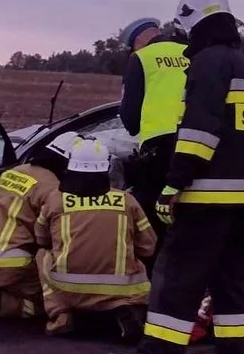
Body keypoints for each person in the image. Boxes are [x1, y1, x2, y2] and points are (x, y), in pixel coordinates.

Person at [106, 0, 244, 354]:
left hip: (208, 193)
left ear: (192, 22)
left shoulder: (208, 63)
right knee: (229, 276)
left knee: (177, 272)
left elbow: (199, 129)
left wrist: (175, 184)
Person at [36, 134, 157, 342]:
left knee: (41, 255)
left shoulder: (55, 200)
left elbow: (41, 240)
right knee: (138, 262)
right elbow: (148, 247)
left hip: (68, 289)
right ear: (107, 167)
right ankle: (127, 312)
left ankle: (61, 314)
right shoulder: (127, 201)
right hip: (122, 290)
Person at [0, 137, 70, 323]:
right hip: (10, 263)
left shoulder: (15, 171)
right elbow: (49, 235)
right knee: (55, 299)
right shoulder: (53, 188)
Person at [117, 16, 189, 267]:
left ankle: (156, 287)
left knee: (155, 223)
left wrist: (137, 127)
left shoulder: (142, 58)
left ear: (137, 40)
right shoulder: (190, 52)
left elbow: (129, 115)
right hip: (195, 146)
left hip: (159, 152)